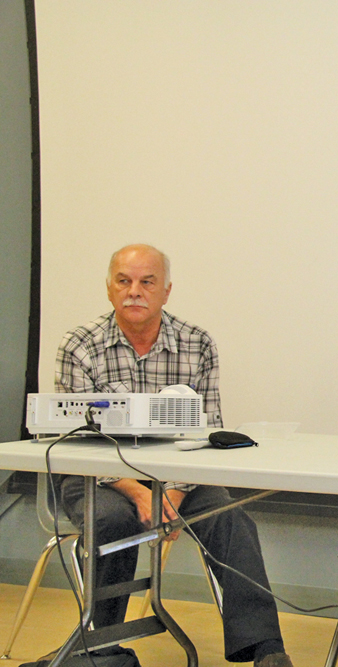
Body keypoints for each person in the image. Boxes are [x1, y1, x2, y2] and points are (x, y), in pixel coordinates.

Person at [55, 244, 293, 667]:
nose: (134, 291)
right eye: (124, 281)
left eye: (147, 282)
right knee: (113, 519)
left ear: (166, 291)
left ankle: (265, 648)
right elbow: (77, 440)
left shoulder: (196, 343)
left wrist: (173, 492)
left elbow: (209, 430)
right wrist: (139, 492)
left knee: (230, 517)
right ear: (109, 289)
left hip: (179, 475)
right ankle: (102, 646)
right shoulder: (80, 345)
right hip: (97, 477)